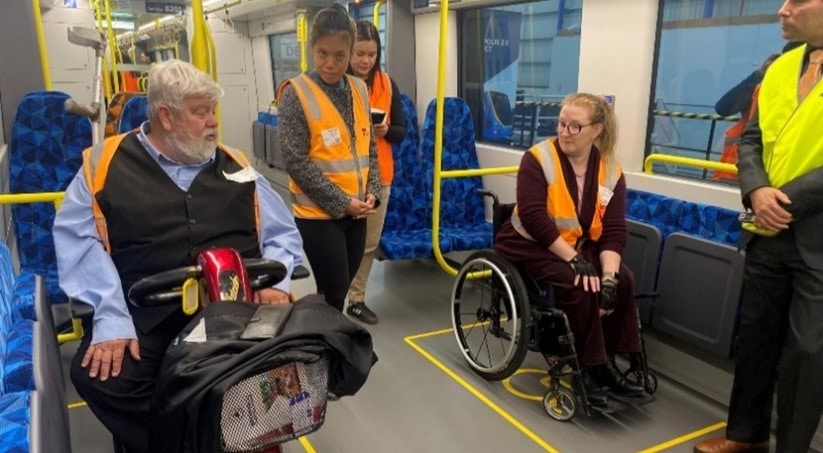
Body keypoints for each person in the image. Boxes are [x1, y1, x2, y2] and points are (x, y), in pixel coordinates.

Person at [53, 59, 303, 453]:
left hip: (234, 308)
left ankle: (208, 434)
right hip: (149, 318)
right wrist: (111, 317)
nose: (213, 122)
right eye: (200, 111)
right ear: (165, 116)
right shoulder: (102, 165)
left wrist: (278, 283)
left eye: (213, 110)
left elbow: (281, 233)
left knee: (312, 349)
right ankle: (189, 440)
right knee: (99, 378)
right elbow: (78, 244)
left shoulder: (235, 163)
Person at [695, 1, 823, 452]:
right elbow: (750, 137)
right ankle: (745, 436)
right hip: (767, 230)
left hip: (816, 238)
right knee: (756, 338)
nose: (783, 10)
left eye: (796, 1)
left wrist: (781, 200)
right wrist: (756, 190)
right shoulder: (783, 66)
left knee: (808, 353)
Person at [494, 93, 645, 406]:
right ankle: (588, 369)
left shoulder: (611, 171)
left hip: (577, 241)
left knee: (624, 280)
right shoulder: (538, 158)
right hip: (529, 242)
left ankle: (609, 364)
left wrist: (608, 278)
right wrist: (575, 261)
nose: (564, 132)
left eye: (575, 127)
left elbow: (614, 230)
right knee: (578, 283)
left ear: (596, 131)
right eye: (561, 124)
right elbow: (535, 219)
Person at [277, 5, 381, 313]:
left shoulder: (359, 88)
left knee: (340, 289)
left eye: (339, 55)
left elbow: (369, 147)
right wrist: (341, 202)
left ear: (350, 52)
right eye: (323, 53)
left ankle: (326, 346)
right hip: (318, 216)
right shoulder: (295, 93)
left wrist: (372, 190)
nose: (331, 63)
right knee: (333, 290)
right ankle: (324, 352)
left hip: (357, 212)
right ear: (311, 48)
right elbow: (296, 162)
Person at [344, 20, 407, 324]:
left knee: (368, 244)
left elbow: (401, 130)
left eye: (371, 54)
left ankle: (355, 299)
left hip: (379, 176)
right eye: (360, 54)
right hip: (342, 177)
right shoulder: (337, 83)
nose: (365, 61)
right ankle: (332, 298)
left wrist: (384, 130)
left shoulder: (385, 83)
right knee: (339, 244)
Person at [712, 41, 802, 182]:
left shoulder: (811, 97)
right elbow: (723, 108)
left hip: (778, 180)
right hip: (736, 174)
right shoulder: (759, 89)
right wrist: (760, 74)